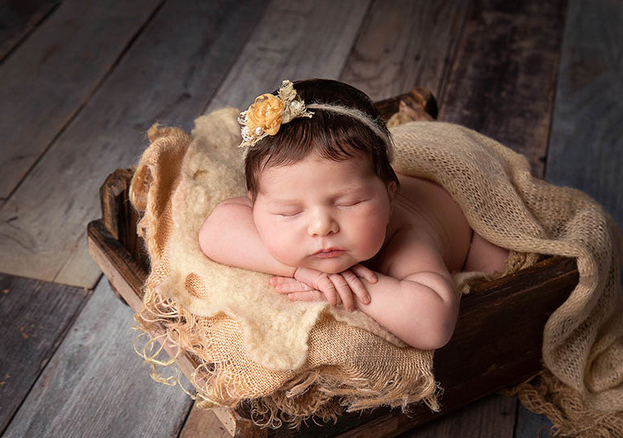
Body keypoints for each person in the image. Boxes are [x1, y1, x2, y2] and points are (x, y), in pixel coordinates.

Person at [199, 79, 509, 350]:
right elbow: (215, 229)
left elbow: (434, 326)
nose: (321, 226)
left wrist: (355, 286)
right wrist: (300, 270)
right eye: (289, 211)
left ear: (389, 196)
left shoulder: (404, 236)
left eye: (348, 203)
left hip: (460, 198)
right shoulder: (282, 193)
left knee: (493, 267)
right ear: (255, 205)